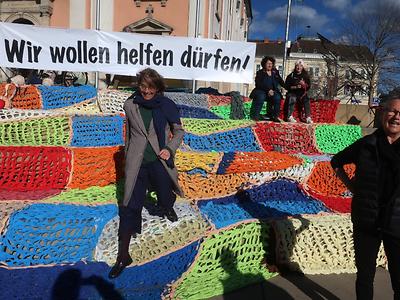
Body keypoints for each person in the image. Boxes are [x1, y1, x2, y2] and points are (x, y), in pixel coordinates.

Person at [108, 68, 185, 279]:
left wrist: (169, 149)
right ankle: (123, 256)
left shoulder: (166, 105)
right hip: (137, 163)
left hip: (159, 160)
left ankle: (167, 206)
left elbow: (178, 131)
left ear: (158, 87)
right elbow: (129, 134)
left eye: (150, 87)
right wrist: (128, 159)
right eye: (143, 87)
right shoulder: (130, 104)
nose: (146, 91)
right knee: (130, 204)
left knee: (164, 193)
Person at [330, 90, 400, 300]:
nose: (396, 116)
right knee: (365, 276)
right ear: (382, 113)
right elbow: (336, 162)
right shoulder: (366, 145)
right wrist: (353, 188)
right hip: (366, 220)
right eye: (392, 111)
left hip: (397, 223)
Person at [249, 56, 285, 122]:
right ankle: (255, 115)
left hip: (273, 91)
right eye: (268, 63)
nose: (270, 65)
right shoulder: (260, 72)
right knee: (261, 96)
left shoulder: (275, 72)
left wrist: (285, 87)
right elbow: (258, 84)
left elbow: (280, 81)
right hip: (261, 90)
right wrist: (268, 90)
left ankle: (274, 116)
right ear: (264, 64)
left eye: (271, 64)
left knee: (277, 97)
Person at [285, 59, 312, 124]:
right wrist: (295, 87)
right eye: (297, 65)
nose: (298, 67)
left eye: (300, 66)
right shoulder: (291, 76)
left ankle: (308, 117)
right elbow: (286, 86)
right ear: (295, 66)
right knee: (292, 98)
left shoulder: (305, 76)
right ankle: (289, 116)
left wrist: (304, 85)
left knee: (306, 99)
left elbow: (308, 86)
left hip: (302, 93)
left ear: (302, 67)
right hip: (292, 93)